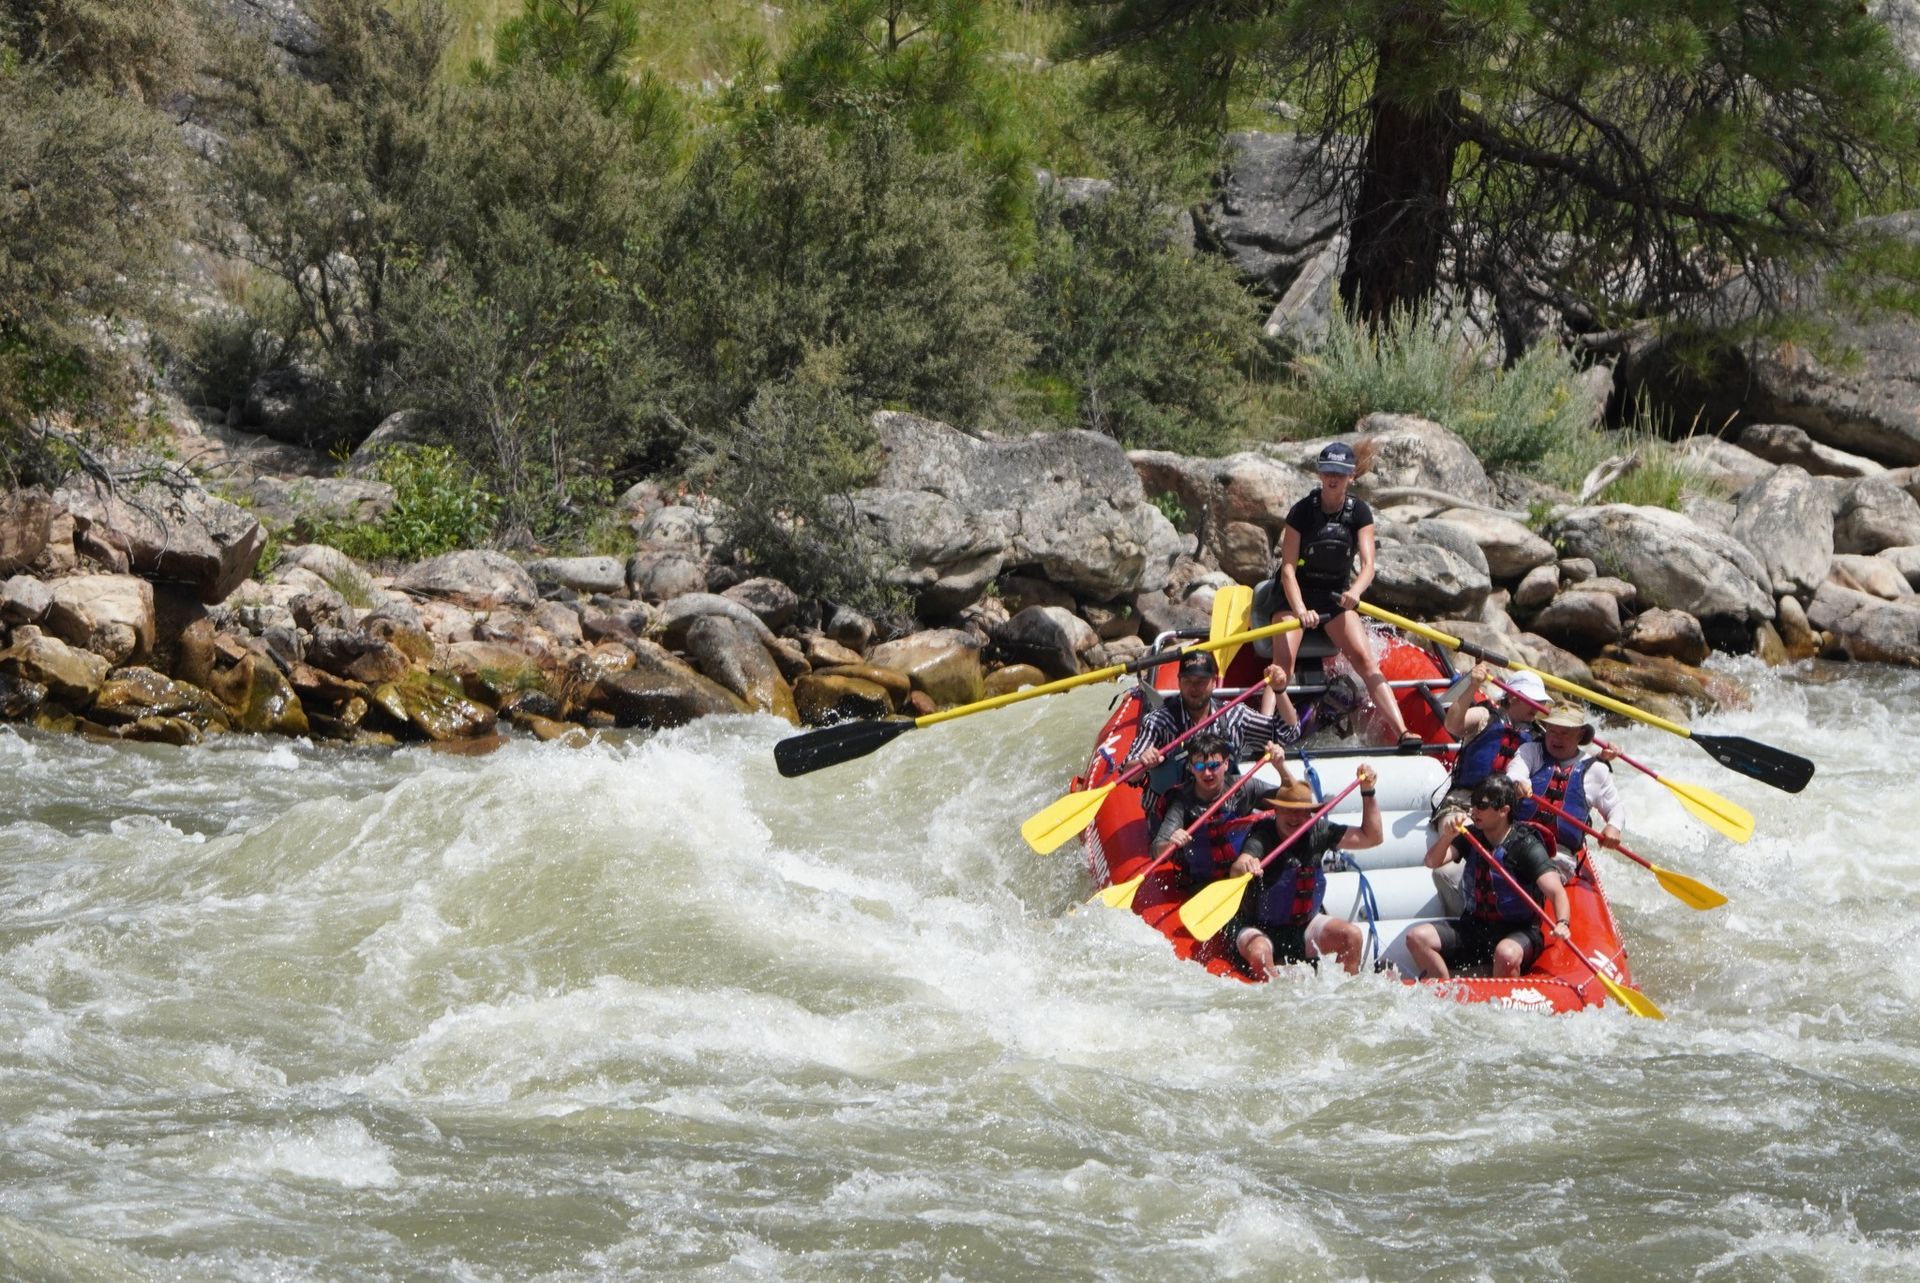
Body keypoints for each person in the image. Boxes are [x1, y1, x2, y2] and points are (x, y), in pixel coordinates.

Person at [1269, 439, 1420, 752]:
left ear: (1351, 476)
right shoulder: (1301, 512)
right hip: (1295, 594)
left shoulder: (1359, 513)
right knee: (1283, 664)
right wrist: (1299, 610)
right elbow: (1286, 570)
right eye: (1327, 472)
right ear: (1320, 474)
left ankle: (1403, 730)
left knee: (1366, 660)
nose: (1332, 477)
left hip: (1335, 596)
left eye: (1339, 472)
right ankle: (1265, 734)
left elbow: (1368, 567)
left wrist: (1354, 592)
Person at [1187, 756, 1383, 977]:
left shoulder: (1319, 831)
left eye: (1301, 811)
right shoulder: (1263, 834)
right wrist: (1246, 866)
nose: (1294, 817)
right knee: (1260, 954)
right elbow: (1238, 866)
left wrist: (1368, 792)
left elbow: (1372, 838)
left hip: (1304, 925)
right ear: (1277, 811)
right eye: (1288, 810)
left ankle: (1347, 999)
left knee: (1352, 935)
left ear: (1310, 813)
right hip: (1258, 927)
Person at [1404, 774, 1570, 981]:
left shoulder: (1526, 846)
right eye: (1473, 804)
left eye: (1482, 805)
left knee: (1505, 954)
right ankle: (1444, 991)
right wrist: (1447, 837)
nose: (1474, 811)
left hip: (1519, 932)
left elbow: (1556, 891)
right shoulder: (1471, 835)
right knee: (1416, 938)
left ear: (1503, 810)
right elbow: (1432, 862)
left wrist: (1563, 922)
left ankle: (1504, 1003)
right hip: (1475, 927)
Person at [1127, 649, 1304, 820]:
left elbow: (1288, 733)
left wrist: (1280, 690)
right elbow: (1129, 774)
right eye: (1188, 681)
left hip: (1224, 813)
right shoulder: (1159, 721)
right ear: (1179, 682)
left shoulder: (1233, 715)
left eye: (1201, 681)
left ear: (1213, 682)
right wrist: (1142, 763)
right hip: (1171, 815)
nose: (1194, 688)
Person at [1505, 701, 1623, 880]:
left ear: (1580, 734)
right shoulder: (1531, 751)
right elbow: (1515, 773)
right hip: (1515, 838)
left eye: (1565, 732)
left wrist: (1613, 827)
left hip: (1558, 856)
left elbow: (1615, 808)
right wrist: (1518, 782)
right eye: (1552, 731)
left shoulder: (1596, 770)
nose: (1556, 738)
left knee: (1534, 875)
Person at [1150, 734, 1275, 873]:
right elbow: (1156, 849)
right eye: (1199, 766)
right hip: (1199, 880)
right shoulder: (1182, 802)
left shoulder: (1243, 786)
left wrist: (1280, 767)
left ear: (1226, 764)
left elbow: (1288, 799)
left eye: (1213, 765)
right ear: (1191, 768)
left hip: (1241, 872)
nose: (1207, 773)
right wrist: (1169, 845)